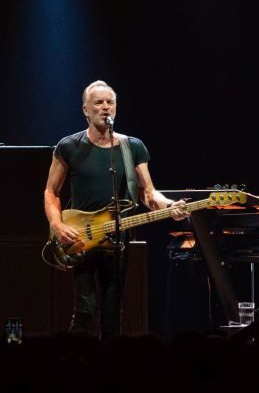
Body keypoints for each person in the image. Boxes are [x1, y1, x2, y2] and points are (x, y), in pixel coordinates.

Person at [44, 80, 187, 339]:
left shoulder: (132, 147)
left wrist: (169, 206)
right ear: (85, 110)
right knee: (85, 309)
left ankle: (111, 360)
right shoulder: (68, 146)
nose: (105, 107)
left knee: (112, 313)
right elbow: (51, 192)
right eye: (98, 103)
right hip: (82, 237)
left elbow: (148, 193)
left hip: (118, 241)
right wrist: (57, 224)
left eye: (110, 102)